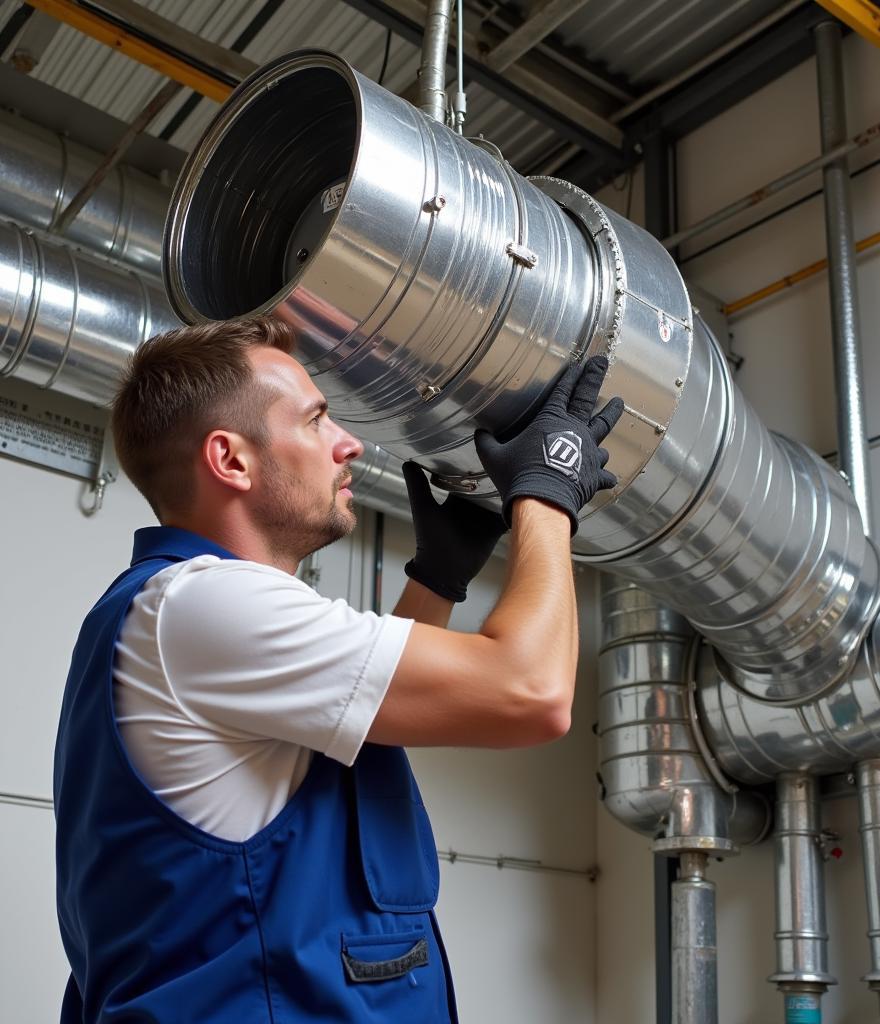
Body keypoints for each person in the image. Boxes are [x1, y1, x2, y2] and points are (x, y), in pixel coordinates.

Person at [53, 316, 623, 1024]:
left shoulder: (176, 612)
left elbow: (366, 721)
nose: (347, 443)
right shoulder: (207, 604)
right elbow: (532, 691)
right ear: (232, 460)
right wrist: (548, 494)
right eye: (317, 421)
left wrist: (438, 579)